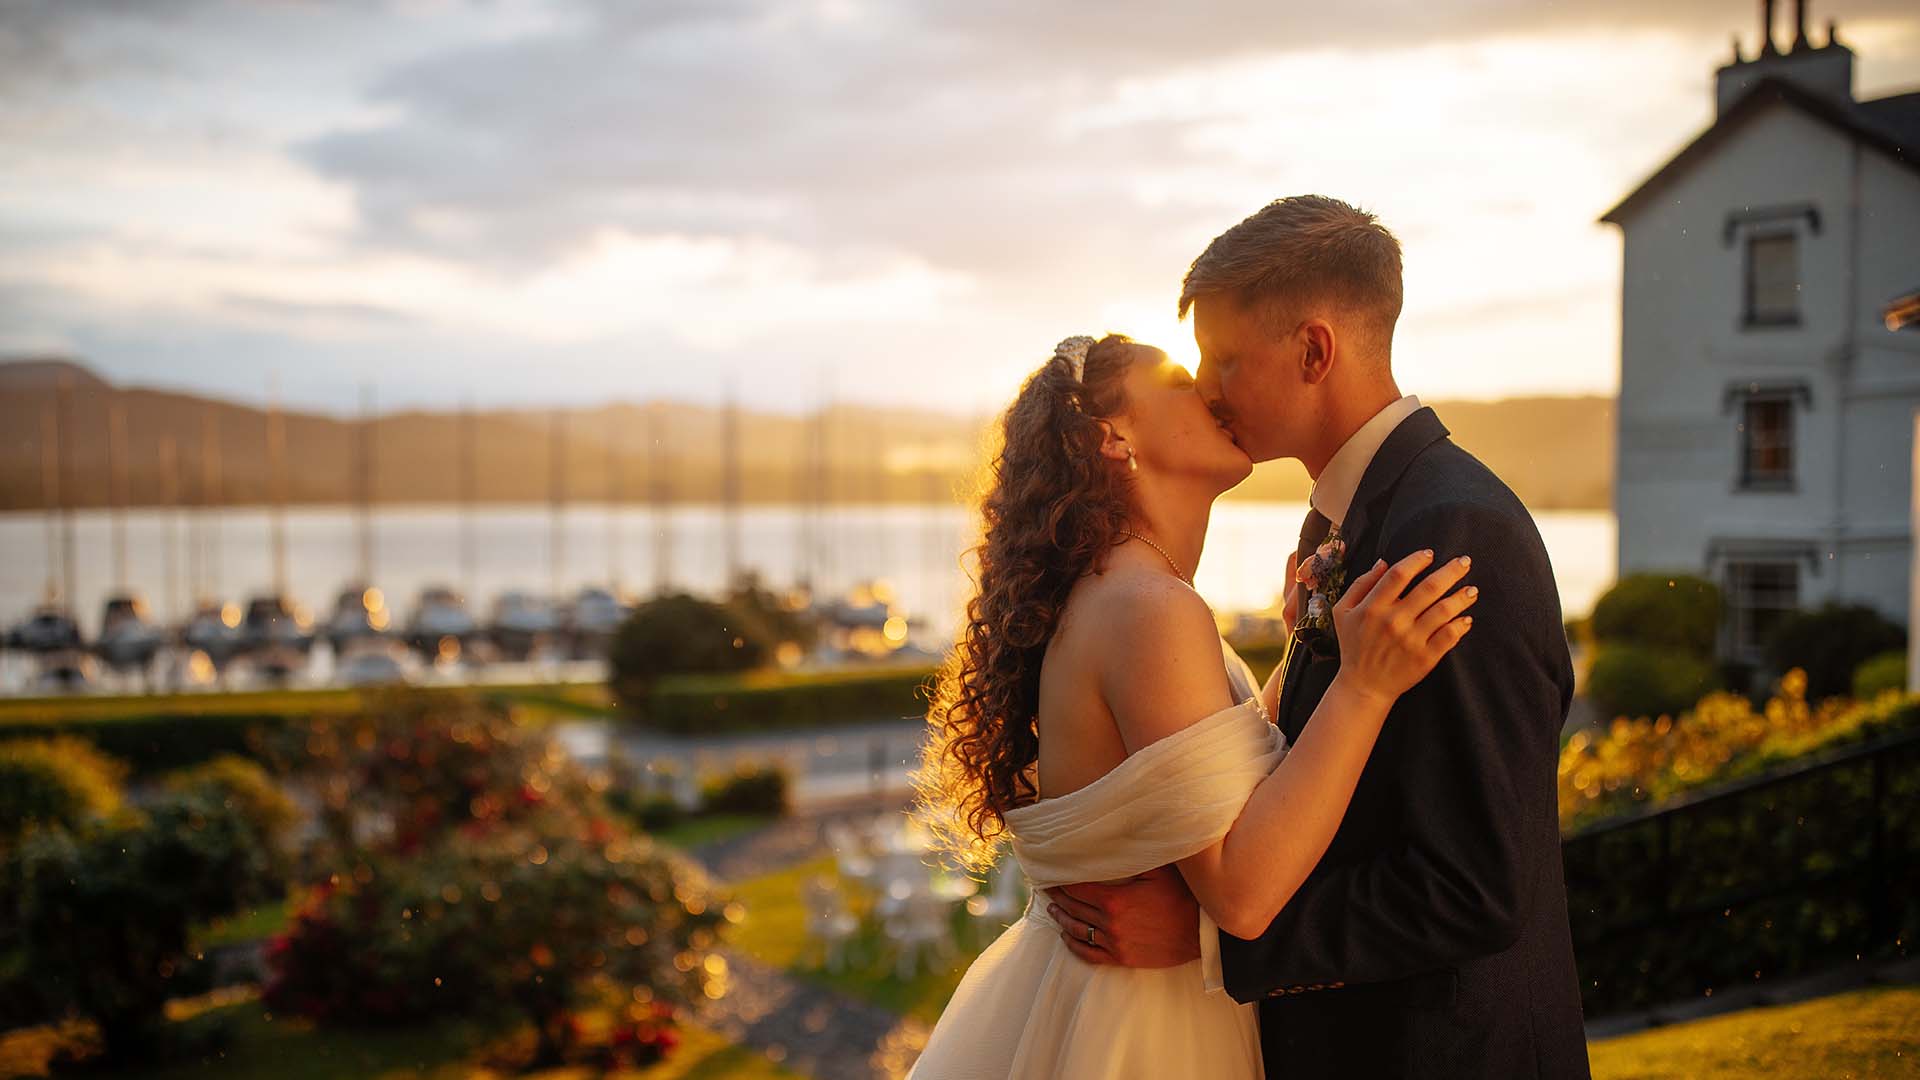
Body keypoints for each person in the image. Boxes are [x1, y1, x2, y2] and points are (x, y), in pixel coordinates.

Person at [1042, 196, 1591, 1078]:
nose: (1208, 390)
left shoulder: (1450, 529)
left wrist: (1210, 939)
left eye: (1222, 359)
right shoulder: (1335, 530)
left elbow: (1477, 886)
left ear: (1313, 351)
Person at [906, 326, 1476, 1079]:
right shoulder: (1149, 606)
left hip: (1120, 1006)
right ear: (1112, 437)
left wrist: (1303, 649)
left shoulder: (1126, 593)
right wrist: (1364, 686)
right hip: (1147, 1032)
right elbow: (1242, 892)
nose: (1210, 391)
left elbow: (1208, 789)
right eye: (1178, 379)